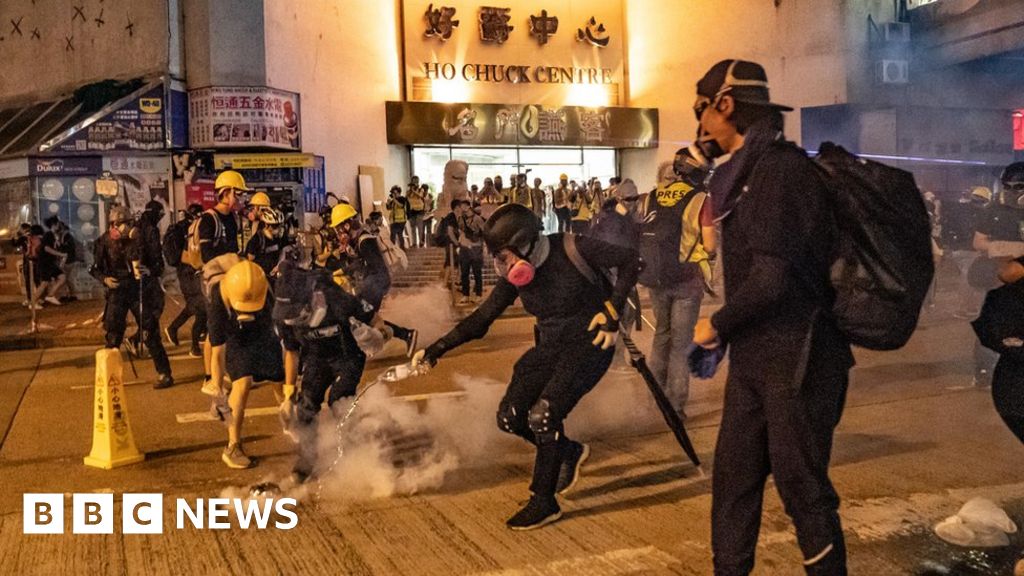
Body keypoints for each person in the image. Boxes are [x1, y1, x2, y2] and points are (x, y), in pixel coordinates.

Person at [689, 59, 854, 575]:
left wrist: (716, 324)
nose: (698, 124)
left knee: (802, 489)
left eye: (701, 108)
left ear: (726, 104)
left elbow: (773, 277)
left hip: (800, 356)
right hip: (758, 358)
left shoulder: (781, 171)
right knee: (733, 481)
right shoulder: (744, 174)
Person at [413, 204, 642, 530]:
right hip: (550, 349)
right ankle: (567, 451)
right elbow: (481, 320)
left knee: (544, 415)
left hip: (590, 346)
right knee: (511, 417)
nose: (502, 266)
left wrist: (612, 309)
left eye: (504, 257)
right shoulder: (517, 277)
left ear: (525, 243)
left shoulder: (573, 247)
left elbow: (632, 260)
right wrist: (435, 350)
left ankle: (544, 500)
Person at [636, 146, 716, 420]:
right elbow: (710, 245)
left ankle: (653, 400)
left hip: (656, 278)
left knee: (661, 336)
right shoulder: (701, 199)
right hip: (686, 280)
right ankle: (676, 406)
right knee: (681, 345)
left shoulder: (652, 195)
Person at [208, 258, 283, 468]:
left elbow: (281, 326)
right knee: (242, 384)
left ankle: (296, 427)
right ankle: (233, 445)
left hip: (263, 330)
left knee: (281, 380)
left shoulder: (266, 286)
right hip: (235, 337)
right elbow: (217, 351)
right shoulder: (218, 298)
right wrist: (217, 389)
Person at [92, 204, 174, 389]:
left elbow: (158, 264)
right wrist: (105, 279)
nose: (125, 227)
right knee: (113, 336)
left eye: (128, 222)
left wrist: (150, 270)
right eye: (120, 223)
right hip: (117, 292)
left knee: (150, 331)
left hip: (139, 290)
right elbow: (94, 268)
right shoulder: (103, 242)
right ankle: (108, 377)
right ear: (112, 225)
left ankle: (165, 373)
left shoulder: (141, 239)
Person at [971, 162, 1024, 387]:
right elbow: (978, 242)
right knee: (993, 323)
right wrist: (1011, 249)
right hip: (999, 275)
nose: (1013, 192)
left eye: (1019, 186)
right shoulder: (994, 210)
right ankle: (983, 371)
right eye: (1008, 186)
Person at [199, 170, 246, 397]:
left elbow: (234, 249)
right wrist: (230, 259)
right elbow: (206, 254)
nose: (240, 198)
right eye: (237, 193)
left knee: (221, 328)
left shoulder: (233, 218)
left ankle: (219, 372)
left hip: (230, 280)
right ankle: (210, 378)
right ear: (225, 193)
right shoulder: (208, 219)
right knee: (214, 328)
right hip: (213, 282)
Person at [165, 204, 206, 357]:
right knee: (201, 309)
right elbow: (185, 255)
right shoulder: (187, 230)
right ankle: (194, 345)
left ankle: (174, 329)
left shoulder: (189, 228)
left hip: (190, 274)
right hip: (189, 274)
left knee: (196, 307)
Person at [455, 199, 485, 303]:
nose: (462, 208)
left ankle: (478, 294)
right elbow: (460, 231)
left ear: (468, 206)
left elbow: (484, 232)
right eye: (461, 206)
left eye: (463, 206)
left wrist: (482, 245)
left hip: (476, 247)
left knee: (477, 272)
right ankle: (465, 295)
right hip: (464, 247)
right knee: (464, 272)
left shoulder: (477, 219)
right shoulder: (460, 219)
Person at [43, 216, 78, 302]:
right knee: (63, 279)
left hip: (68, 260)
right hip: (61, 260)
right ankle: (64, 295)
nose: (59, 228)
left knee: (67, 279)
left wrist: (61, 253)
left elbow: (68, 249)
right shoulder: (53, 236)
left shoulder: (66, 236)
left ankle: (71, 295)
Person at [245, 208, 287, 278]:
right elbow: (250, 262)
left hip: (275, 275)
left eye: (280, 225)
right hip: (261, 276)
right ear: (266, 225)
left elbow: (283, 251)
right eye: (275, 226)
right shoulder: (257, 240)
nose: (278, 228)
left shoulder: (279, 238)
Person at [386, 185, 410, 250]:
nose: (394, 194)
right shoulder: (393, 201)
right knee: (395, 235)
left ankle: (400, 248)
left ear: (399, 192)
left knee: (397, 234)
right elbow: (389, 208)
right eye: (392, 193)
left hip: (401, 220)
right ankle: (397, 248)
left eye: (395, 193)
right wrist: (388, 203)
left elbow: (401, 205)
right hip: (394, 220)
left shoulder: (402, 199)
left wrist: (394, 199)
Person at [407, 182, 428, 248]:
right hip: (412, 210)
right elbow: (407, 197)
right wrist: (411, 192)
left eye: (412, 186)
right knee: (413, 227)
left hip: (419, 210)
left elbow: (420, 196)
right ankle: (414, 242)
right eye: (410, 186)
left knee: (420, 227)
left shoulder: (420, 190)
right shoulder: (408, 192)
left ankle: (421, 242)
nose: (411, 187)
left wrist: (414, 191)